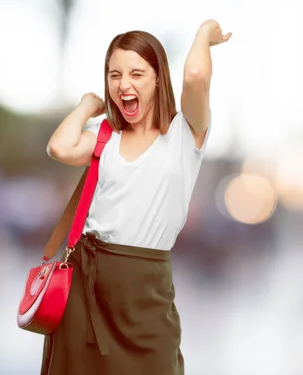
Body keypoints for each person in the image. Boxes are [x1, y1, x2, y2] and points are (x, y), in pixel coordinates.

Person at [41, 19, 231, 375]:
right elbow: (58, 147)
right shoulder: (105, 136)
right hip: (86, 286)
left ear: (158, 78)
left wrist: (204, 34)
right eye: (114, 75)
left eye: (136, 74)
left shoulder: (183, 133)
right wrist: (86, 106)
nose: (123, 84)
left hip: (146, 290)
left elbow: (194, 76)